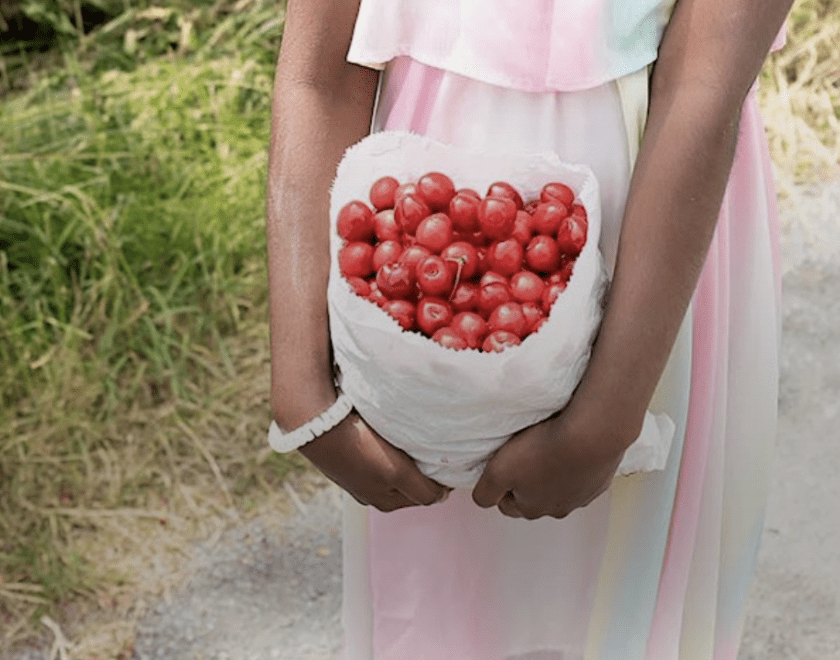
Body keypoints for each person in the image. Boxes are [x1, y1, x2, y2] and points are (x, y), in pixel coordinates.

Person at [265, 0, 791, 658]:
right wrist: (300, 389)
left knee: (622, 599)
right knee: (439, 605)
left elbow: (704, 86)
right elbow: (321, 72)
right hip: (421, 224)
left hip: (654, 240)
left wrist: (607, 418)